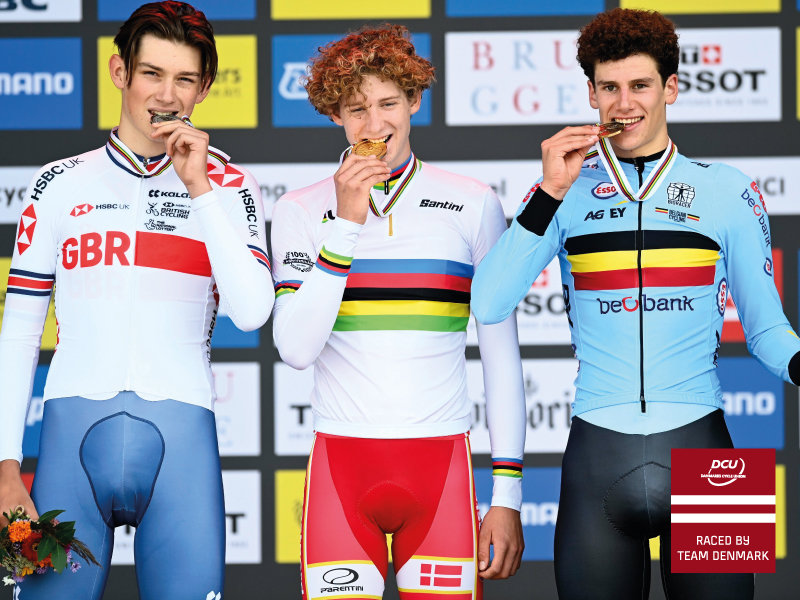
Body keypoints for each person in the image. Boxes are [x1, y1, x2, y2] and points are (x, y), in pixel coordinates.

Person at [471, 8, 800, 600]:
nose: (624, 104)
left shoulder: (727, 188)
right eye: (609, 87)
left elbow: (766, 329)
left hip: (706, 449)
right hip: (597, 452)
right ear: (591, 94)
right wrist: (550, 191)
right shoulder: (563, 192)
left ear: (670, 88)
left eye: (640, 85)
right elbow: (489, 303)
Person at [0, 2, 273, 598]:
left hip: (181, 448)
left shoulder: (230, 186)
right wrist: (4, 468)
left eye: (184, 79)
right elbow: (18, 333)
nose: (167, 96)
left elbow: (253, 313)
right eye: (152, 73)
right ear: (119, 71)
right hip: (69, 447)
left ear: (204, 87)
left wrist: (199, 187)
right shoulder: (58, 182)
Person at [271, 25, 526, 600]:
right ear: (335, 114)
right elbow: (296, 350)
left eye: (388, 103)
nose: (374, 124)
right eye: (356, 109)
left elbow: (501, 358)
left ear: (414, 100)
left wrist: (507, 496)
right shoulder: (300, 209)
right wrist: (345, 225)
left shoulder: (472, 203)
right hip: (341, 465)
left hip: (441, 466)